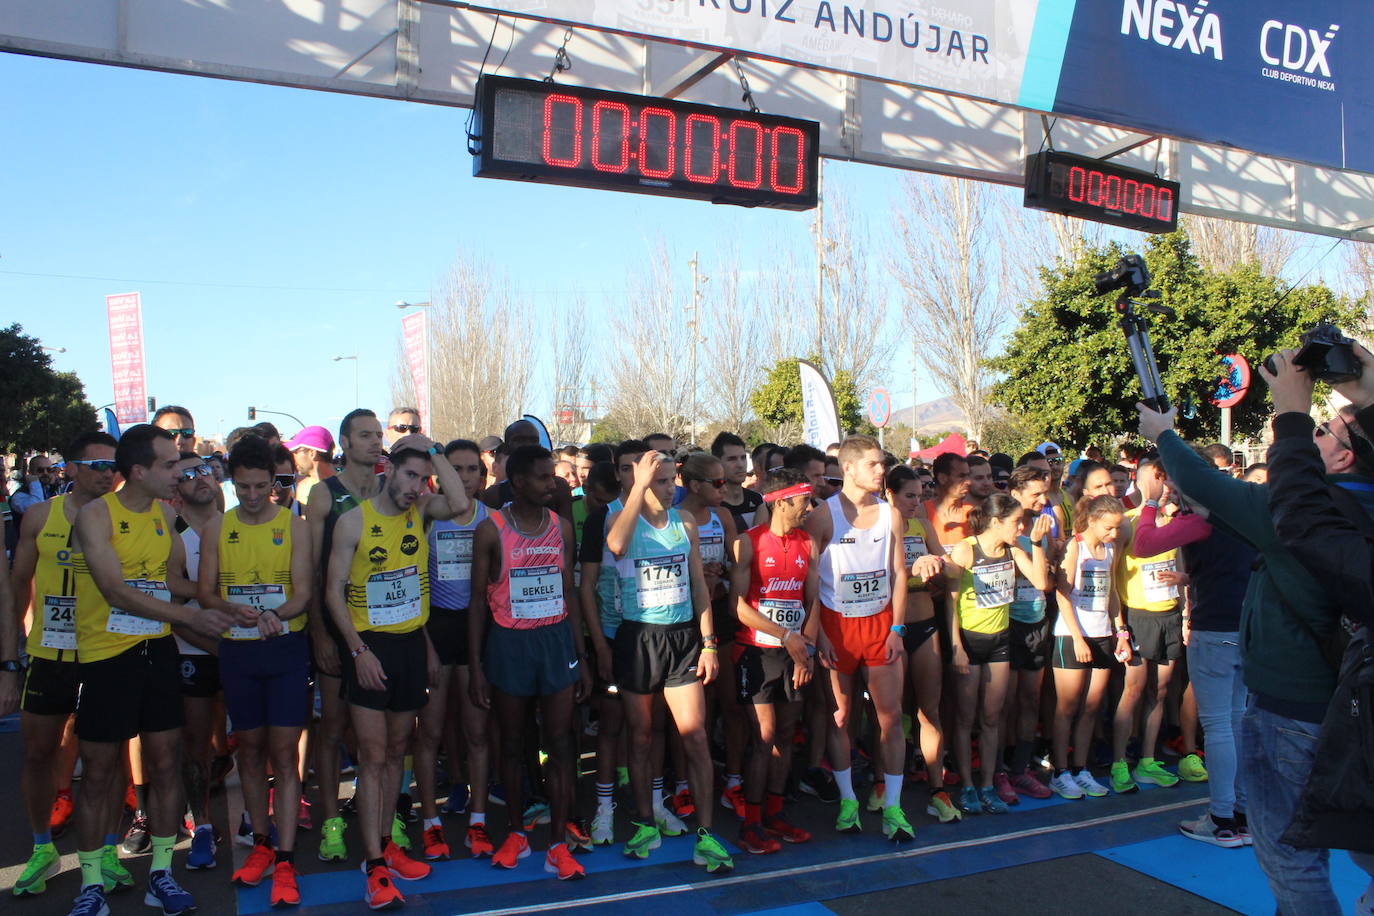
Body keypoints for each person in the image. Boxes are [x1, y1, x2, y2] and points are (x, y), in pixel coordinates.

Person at [64, 424, 236, 916]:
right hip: (105, 658)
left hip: (158, 654)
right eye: (167, 465)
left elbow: (173, 581)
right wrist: (190, 616)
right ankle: (91, 885)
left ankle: (161, 875)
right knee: (98, 775)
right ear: (138, 471)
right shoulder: (96, 516)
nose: (176, 472)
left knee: (165, 765)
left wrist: (230, 606)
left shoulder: (166, 516)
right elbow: (115, 590)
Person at [1242, 348, 1374, 909]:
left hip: (1298, 711)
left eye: (1330, 431)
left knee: (1289, 853)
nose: (1321, 435)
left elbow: (1298, 515)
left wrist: (1291, 417)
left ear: (1346, 459)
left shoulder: (1337, 519)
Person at [324, 433, 470, 909]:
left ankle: (385, 845)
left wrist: (435, 454)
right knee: (372, 755)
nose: (415, 487)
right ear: (387, 471)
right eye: (408, 476)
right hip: (370, 648)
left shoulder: (422, 511)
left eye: (421, 479)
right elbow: (333, 594)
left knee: (397, 751)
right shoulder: (352, 522)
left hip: (409, 644)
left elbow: (462, 501)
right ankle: (374, 865)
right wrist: (358, 651)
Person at [197, 435, 314, 906]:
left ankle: (286, 856)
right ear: (231, 481)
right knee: (248, 749)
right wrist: (234, 609)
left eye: (260, 487)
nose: (251, 496)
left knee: (283, 754)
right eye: (242, 487)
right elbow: (205, 593)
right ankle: (262, 843)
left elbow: (303, 592)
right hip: (239, 650)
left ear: (274, 482)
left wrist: (275, 615)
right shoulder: (217, 528)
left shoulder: (294, 526)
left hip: (284, 647)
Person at [604, 450, 734, 873]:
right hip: (639, 638)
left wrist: (709, 643)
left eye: (668, 482)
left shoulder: (685, 524)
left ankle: (707, 832)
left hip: (681, 640)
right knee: (640, 738)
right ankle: (644, 822)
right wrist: (638, 487)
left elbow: (698, 585)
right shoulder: (622, 519)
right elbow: (617, 546)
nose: (666, 489)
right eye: (658, 482)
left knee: (694, 736)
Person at [468, 445, 591, 879]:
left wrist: (580, 655)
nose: (552, 484)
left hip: (555, 642)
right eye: (543, 477)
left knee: (560, 744)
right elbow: (477, 604)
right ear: (519, 482)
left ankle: (558, 841)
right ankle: (516, 831)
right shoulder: (491, 529)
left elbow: (569, 592)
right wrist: (477, 667)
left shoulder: (560, 526)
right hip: (509, 646)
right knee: (514, 744)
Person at [8, 432, 119, 898]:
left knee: (104, 759)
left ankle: (109, 850)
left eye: (113, 467)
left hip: (105, 652)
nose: (107, 475)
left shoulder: (123, 518)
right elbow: (17, 586)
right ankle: (40, 847)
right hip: (50, 652)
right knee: (39, 753)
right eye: (96, 466)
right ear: (70, 469)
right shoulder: (40, 516)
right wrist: (9, 656)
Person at [809, 435, 915, 841]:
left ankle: (894, 807)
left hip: (880, 626)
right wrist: (819, 633)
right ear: (848, 468)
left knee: (890, 719)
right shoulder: (823, 515)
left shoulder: (891, 515)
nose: (881, 470)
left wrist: (897, 628)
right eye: (873, 464)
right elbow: (810, 580)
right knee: (841, 718)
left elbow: (900, 573)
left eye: (882, 463)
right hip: (837, 628)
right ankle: (848, 800)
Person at [306, 408, 386, 863]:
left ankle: (385, 813)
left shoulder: (392, 488)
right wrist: (319, 632)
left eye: (378, 434)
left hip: (385, 625)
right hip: (339, 626)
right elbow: (316, 571)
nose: (375, 442)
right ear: (345, 442)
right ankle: (332, 821)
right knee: (333, 727)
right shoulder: (324, 495)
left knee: (384, 730)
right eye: (364, 435)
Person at [729, 469, 818, 854]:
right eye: (805, 502)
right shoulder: (747, 543)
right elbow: (737, 606)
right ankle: (750, 823)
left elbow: (812, 601)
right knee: (763, 737)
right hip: (756, 650)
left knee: (785, 734)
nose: (811, 508)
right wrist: (787, 636)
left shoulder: (808, 543)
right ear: (781, 502)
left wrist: (805, 648)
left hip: (794, 650)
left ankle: (775, 813)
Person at [946, 494, 1049, 815]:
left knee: (992, 717)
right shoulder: (966, 550)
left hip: (1000, 641)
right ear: (995, 522)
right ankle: (966, 787)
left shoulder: (1014, 548)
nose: (1021, 526)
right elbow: (949, 604)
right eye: (1016, 522)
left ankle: (988, 785)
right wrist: (956, 648)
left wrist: (1037, 544)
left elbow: (1041, 582)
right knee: (965, 718)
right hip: (970, 641)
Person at [414, 439, 491, 861]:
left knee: (478, 733)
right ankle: (430, 822)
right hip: (434, 629)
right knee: (429, 733)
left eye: (470, 470)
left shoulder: (493, 520)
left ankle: (478, 821)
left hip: (476, 632)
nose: (462, 477)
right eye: (454, 469)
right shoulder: (426, 515)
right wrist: (424, 642)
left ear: (482, 477)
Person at [882, 466, 959, 823]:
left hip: (926, 624)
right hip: (890, 628)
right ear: (890, 494)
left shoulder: (923, 524)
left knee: (930, 711)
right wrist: (912, 569)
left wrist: (937, 565)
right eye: (909, 496)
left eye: (920, 494)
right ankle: (883, 784)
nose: (917, 502)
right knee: (889, 715)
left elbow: (946, 565)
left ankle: (936, 788)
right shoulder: (879, 525)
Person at [1109, 458, 1186, 795]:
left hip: (1169, 613)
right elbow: (1111, 579)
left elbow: (1181, 570)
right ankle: (1117, 763)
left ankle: (1147, 760)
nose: (1167, 486)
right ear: (1145, 482)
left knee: (1162, 690)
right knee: (1134, 691)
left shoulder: (1177, 522)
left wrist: (1186, 614)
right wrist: (1121, 627)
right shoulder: (1126, 524)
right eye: (1160, 479)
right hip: (1138, 615)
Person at [677, 452, 746, 818]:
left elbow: (740, 566)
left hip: (719, 615)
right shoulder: (675, 519)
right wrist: (695, 575)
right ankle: (683, 784)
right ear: (694, 485)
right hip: (685, 620)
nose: (726, 488)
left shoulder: (722, 517)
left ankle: (733, 780)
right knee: (691, 716)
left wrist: (722, 571)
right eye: (718, 483)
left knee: (731, 703)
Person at [168, 452, 228, 869]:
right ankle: (202, 824)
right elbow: (170, 610)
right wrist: (215, 648)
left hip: (245, 647)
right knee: (195, 744)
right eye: (186, 474)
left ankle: (261, 822)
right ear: (176, 489)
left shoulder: (241, 525)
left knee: (256, 739)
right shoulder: (172, 537)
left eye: (203, 469)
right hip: (195, 651)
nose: (198, 478)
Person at [1048, 495, 1128, 801]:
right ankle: (1060, 771)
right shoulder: (1075, 547)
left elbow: (1112, 594)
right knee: (1067, 707)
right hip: (1072, 636)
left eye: (1117, 528)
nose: (1113, 534)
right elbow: (1062, 594)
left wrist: (1120, 629)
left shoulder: (1110, 548)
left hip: (1102, 634)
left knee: (1091, 707)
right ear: (1093, 520)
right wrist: (1078, 637)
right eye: (1109, 527)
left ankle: (1081, 768)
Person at [1003, 465, 1055, 799]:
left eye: (1045, 492)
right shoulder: (1003, 528)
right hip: (1006, 625)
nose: (1043, 499)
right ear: (1015, 493)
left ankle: (1020, 769)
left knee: (1029, 698)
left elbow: (1044, 581)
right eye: (1036, 493)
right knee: (1002, 704)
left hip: (1037, 620)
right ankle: (999, 771)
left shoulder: (1042, 527)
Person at [924, 453, 972, 553]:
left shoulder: (974, 512)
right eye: (961, 476)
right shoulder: (921, 512)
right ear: (942, 478)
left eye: (968, 475)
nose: (968, 481)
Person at [283, 426, 336, 508]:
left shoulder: (347, 487)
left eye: (296, 452)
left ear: (312, 453)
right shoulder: (303, 488)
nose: (293, 457)